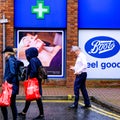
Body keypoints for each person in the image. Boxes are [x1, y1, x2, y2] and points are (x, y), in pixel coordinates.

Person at [18, 47, 44, 120]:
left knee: (37, 97)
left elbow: (34, 71)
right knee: (30, 97)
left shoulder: (32, 60)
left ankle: (41, 115)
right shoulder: (36, 59)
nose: (27, 55)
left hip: (34, 81)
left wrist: (30, 77)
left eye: (27, 53)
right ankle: (24, 112)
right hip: (37, 81)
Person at [1, 46, 19, 120]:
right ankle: (15, 118)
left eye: (4, 53)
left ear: (7, 53)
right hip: (13, 85)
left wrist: (7, 80)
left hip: (10, 85)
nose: (4, 54)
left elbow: (12, 72)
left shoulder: (10, 60)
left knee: (3, 104)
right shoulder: (13, 59)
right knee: (12, 104)